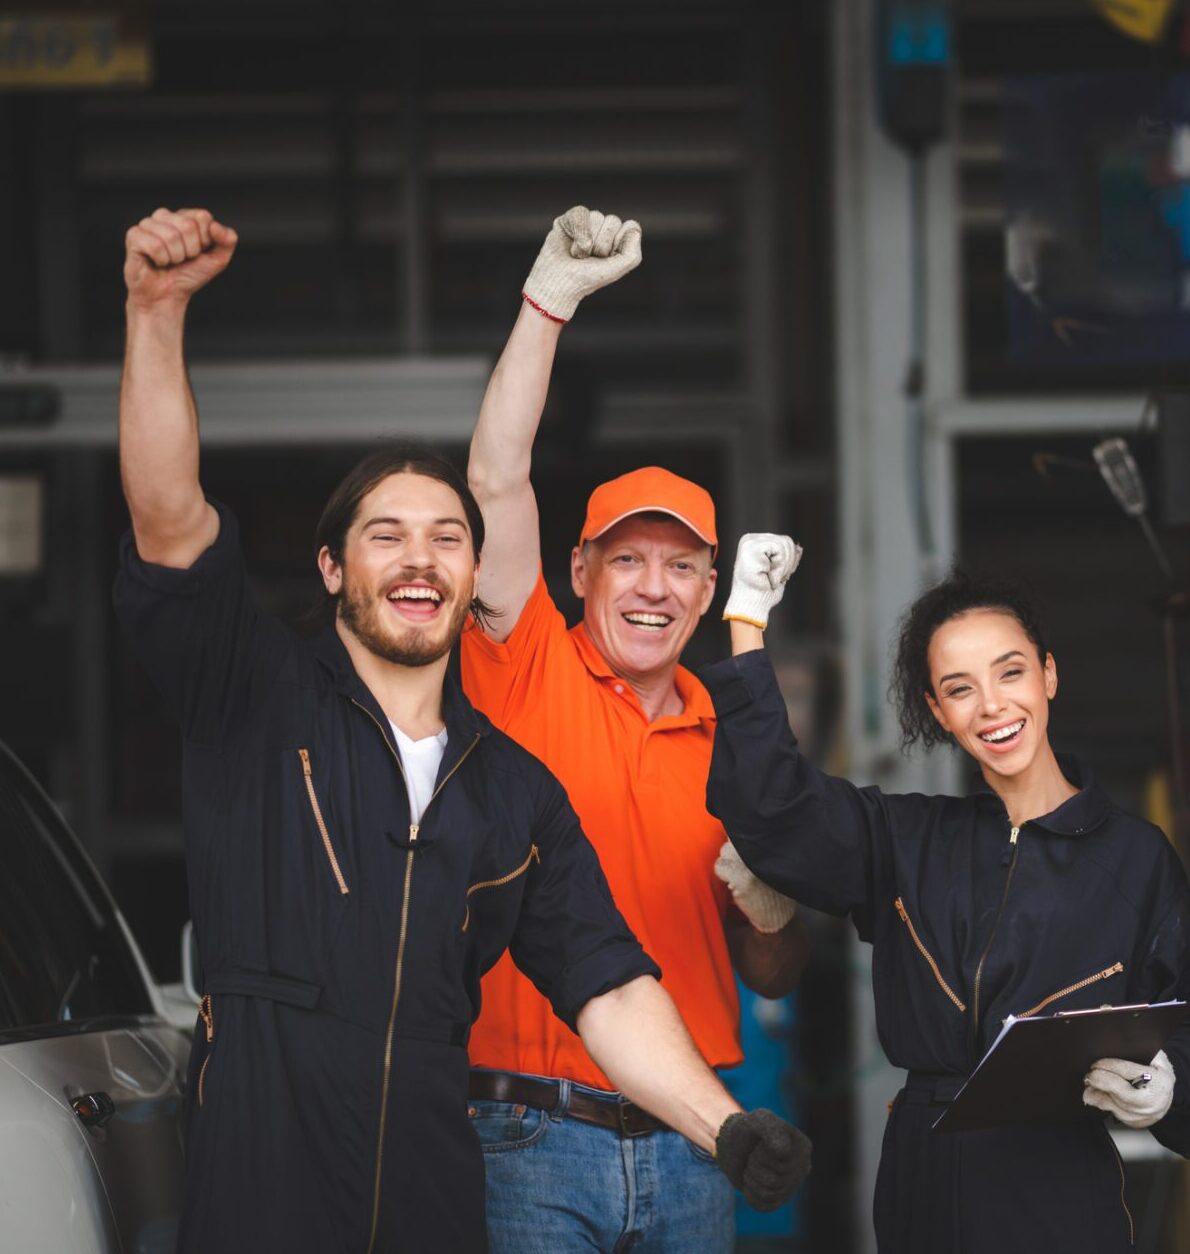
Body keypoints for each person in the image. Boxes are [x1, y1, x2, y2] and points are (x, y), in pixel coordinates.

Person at [112, 208, 811, 1254]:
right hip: (270, 1192)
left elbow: (607, 983)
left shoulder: (510, 791)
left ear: (469, 576)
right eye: (384, 535)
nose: (418, 558)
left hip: (432, 1199)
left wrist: (726, 1126)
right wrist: (155, 312)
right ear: (330, 568)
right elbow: (169, 517)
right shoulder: (253, 696)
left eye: (445, 540)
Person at [460, 206, 811, 1253]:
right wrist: (545, 305)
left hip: (695, 1138)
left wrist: (770, 910)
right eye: (624, 558)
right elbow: (494, 479)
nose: (651, 587)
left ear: (708, 590)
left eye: (678, 565)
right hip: (525, 1129)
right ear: (578, 573)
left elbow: (774, 977)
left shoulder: (737, 734)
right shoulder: (524, 665)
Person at [702, 535, 1190, 1254]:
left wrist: (1173, 1086)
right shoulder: (907, 839)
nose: (992, 706)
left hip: (1058, 1183)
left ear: (1049, 675)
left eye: (1011, 672)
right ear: (937, 709)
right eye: (960, 688)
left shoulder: (1135, 858)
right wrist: (746, 622)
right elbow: (777, 810)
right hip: (923, 1174)